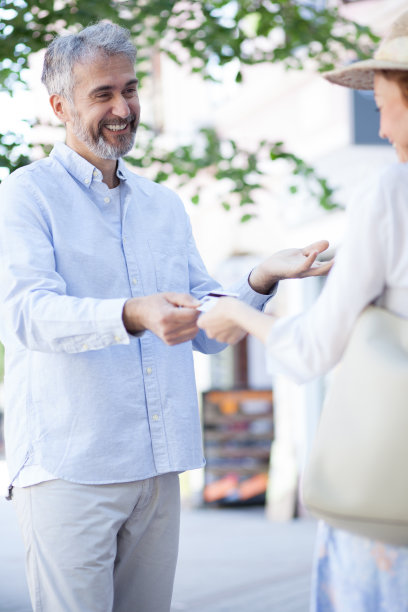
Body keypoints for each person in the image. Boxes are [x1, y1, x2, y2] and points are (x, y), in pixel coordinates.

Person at [0, 21, 332, 612]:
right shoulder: (26, 196)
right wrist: (132, 314)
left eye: (129, 90)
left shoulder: (163, 205)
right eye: (102, 94)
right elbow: (26, 314)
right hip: (70, 471)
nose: (123, 108)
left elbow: (204, 327)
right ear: (59, 106)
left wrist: (260, 277)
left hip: (159, 469)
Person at [198, 9, 408, 612]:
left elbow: (310, 350)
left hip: (388, 500)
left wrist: (236, 314)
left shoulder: (388, 193)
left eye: (383, 105)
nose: (385, 127)